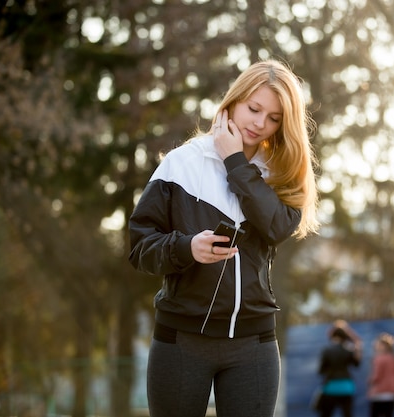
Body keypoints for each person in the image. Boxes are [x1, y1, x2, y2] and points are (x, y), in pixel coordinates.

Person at [128, 59, 319, 417]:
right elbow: (140, 247)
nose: (260, 123)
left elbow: (278, 226)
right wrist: (186, 248)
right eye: (254, 108)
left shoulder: (279, 173)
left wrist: (234, 160)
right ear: (234, 100)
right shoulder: (181, 163)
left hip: (254, 344)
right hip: (181, 340)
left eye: (274, 117)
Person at [317, 320, 363, 417]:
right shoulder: (349, 350)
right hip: (347, 387)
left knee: (326, 414)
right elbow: (357, 364)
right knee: (347, 414)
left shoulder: (327, 350)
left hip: (331, 387)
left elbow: (321, 370)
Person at [367, 333, 394, 417]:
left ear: (383, 346)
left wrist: (370, 381)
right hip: (392, 394)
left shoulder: (379, 359)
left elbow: (376, 376)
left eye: (378, 344)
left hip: (379, 394)